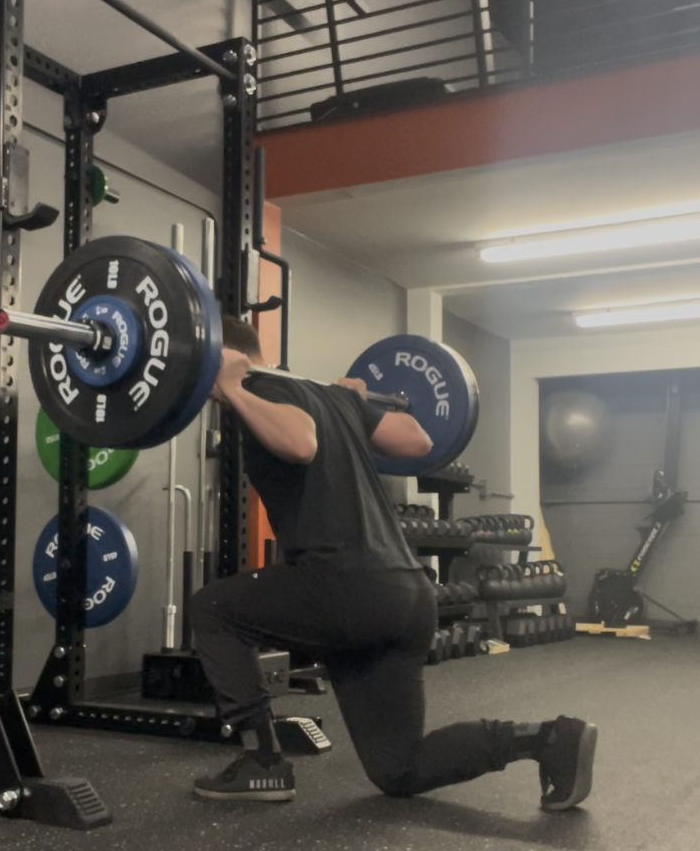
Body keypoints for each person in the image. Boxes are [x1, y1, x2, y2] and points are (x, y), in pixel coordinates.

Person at [189, 316, 597, 810]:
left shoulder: (260, 387)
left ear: (221, 354)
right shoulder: (331, 396)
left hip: (343, 588)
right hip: (405, 593)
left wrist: (234, 386)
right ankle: (547, 739)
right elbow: (418, 442)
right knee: (399, 768)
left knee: (212, 609)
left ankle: (262, 764)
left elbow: (300, 444)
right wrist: (359, 403)